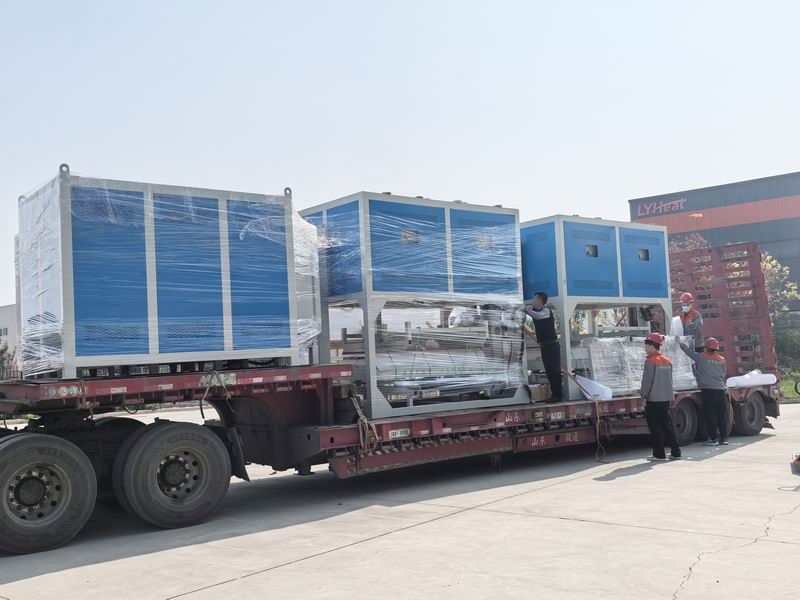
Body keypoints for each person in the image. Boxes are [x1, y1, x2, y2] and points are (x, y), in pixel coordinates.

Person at [678, 336, 728, 446]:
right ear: (716, 348)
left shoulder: (701, 357)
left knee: (710, 415)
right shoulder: (722, 359)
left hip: (709, 391)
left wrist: (680, 343)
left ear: (706, 348)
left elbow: (688, 352)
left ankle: (714, 439)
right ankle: (724, 439)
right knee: (721, 415)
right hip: (721, 390)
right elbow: (724, 373)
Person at [641, 333, 681, 461]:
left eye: (647, 345)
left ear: (653, 345)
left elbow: (647, 382)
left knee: (655, 427)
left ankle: (659, 454)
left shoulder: (650, 361)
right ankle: (676, 452)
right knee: (667, 425)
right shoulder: (668, 361)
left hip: (653, 399)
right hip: (665, 398)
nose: (645, 348)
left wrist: (643, 397)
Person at [524, 291, 563, 402]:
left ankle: (558, 395)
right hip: (545, 345)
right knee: (549, 371)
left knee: (554, 371)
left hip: (552, 345)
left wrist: (526, 309)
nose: (533, 301)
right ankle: (554, 395)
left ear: (540, 300)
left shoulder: (546, 310)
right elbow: (533, 313)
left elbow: (537, 316)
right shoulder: (536, 310)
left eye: (535, 299)